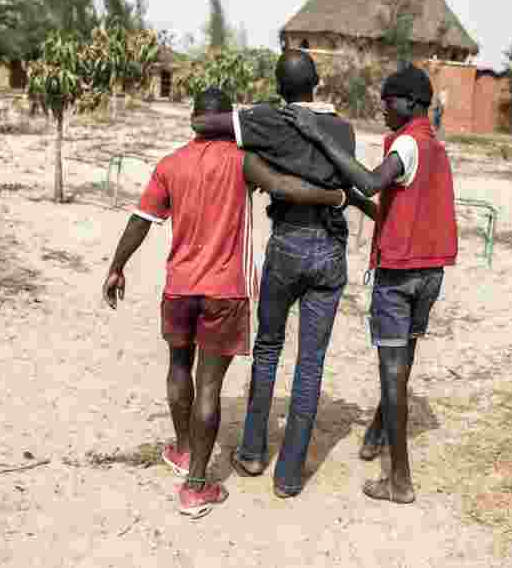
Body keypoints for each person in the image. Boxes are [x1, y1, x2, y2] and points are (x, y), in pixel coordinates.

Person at [102, 87, 349, 518]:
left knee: (179, 368)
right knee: (210, 385)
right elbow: (285, 186)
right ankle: (197, 485)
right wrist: (336, 197)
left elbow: (141, 220)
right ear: (228, 121)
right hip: (224, 290)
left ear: (196, 119)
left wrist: (116, 267)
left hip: (179, 287)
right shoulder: (243, 160)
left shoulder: (170, 164)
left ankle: (182, 451)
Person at [280, 64, 458, 504]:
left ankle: (398, 481)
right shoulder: (434, 146)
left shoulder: (408, 144)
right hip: (430, 272)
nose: (382, 107)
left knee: (392, 372)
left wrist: (317, 136)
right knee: (403, 361)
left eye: (389, 100)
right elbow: (398, 202)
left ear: (412, 104)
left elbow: (370, 181)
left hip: (399, 277)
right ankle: (378, 430)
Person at [190, 49, 359, 498]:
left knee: (267, 348)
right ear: (317, 82)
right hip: (330, 246)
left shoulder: (272, 120)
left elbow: (204, 124)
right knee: (311, 362)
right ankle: (288, 476)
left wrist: (258, 127)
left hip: (287, 241)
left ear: (281, 87)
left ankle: (250, 452)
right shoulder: (344, 128)